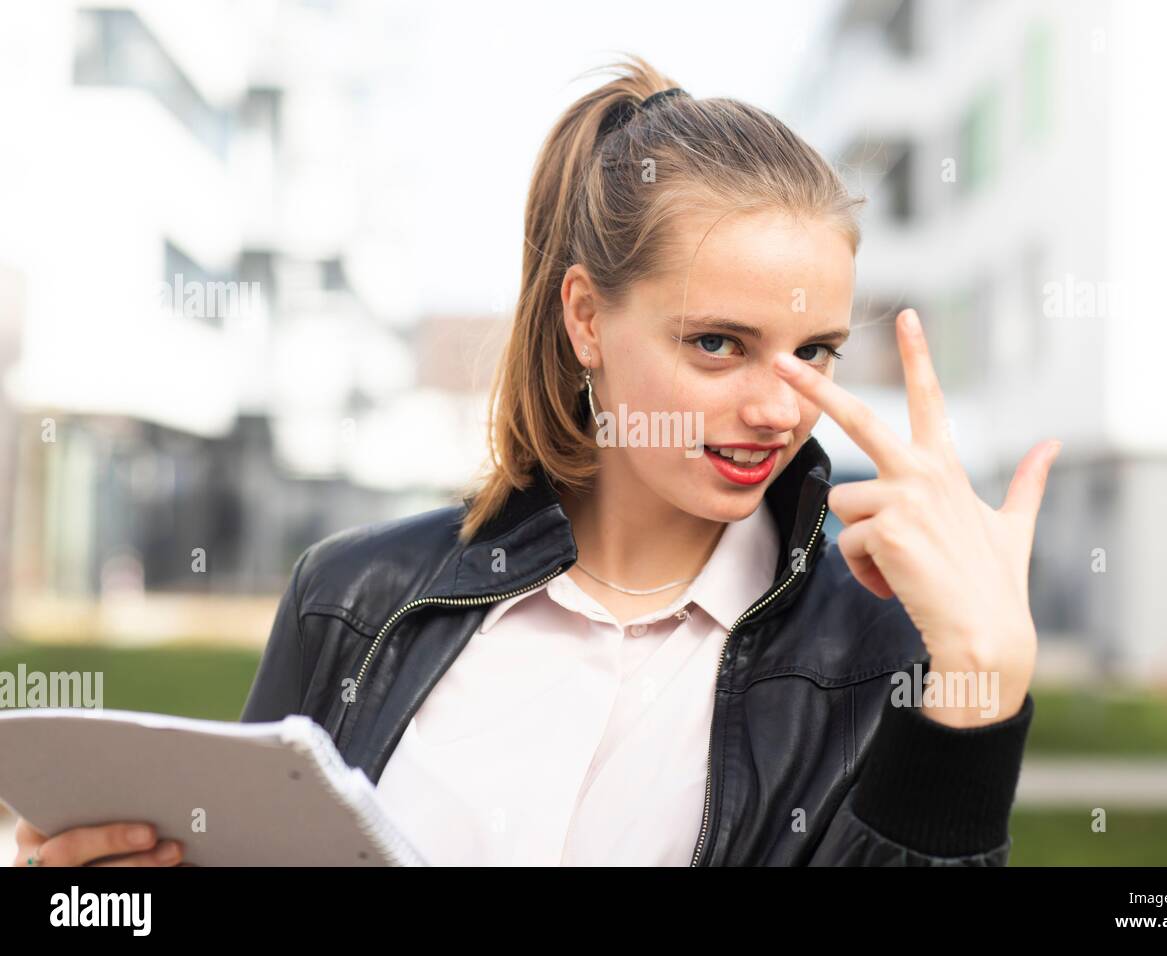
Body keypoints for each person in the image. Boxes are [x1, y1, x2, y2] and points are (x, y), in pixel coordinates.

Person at [13, 54, 1060, 867]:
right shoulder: (355, 596)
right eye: (717, 343)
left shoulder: (880, 656)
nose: (778, 403)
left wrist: (981, 693)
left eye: (814, 351)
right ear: (585, 318)